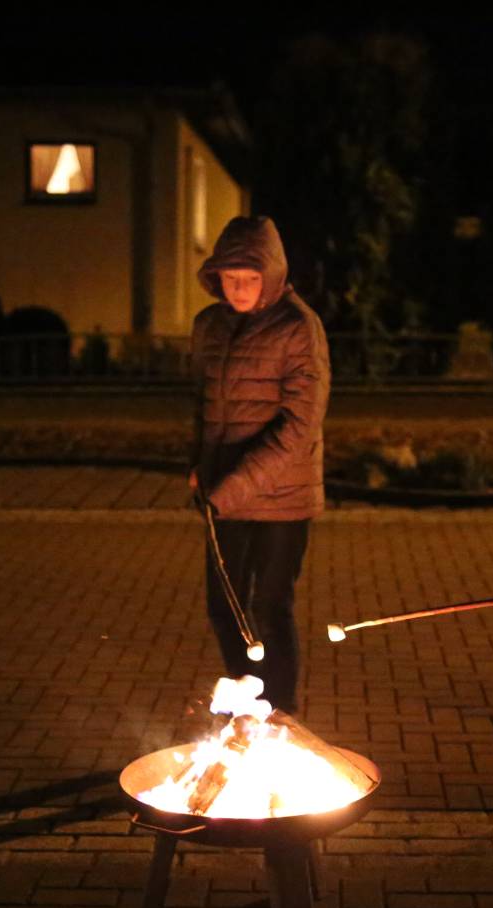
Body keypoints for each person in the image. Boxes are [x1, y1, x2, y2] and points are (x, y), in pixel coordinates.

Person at [189, 216, 330, 714]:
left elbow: (299, 427)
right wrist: (198, 465)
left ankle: (282, 714)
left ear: (271, 276)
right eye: (231, 278)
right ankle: (250, 707)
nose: (240, 288)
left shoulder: (298, 326)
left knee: (268, 610)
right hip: (224, 494)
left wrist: (230, 487)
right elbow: (201, 402)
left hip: (281, 500)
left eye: (250, 278)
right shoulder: (209, 326)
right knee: (224, 609)